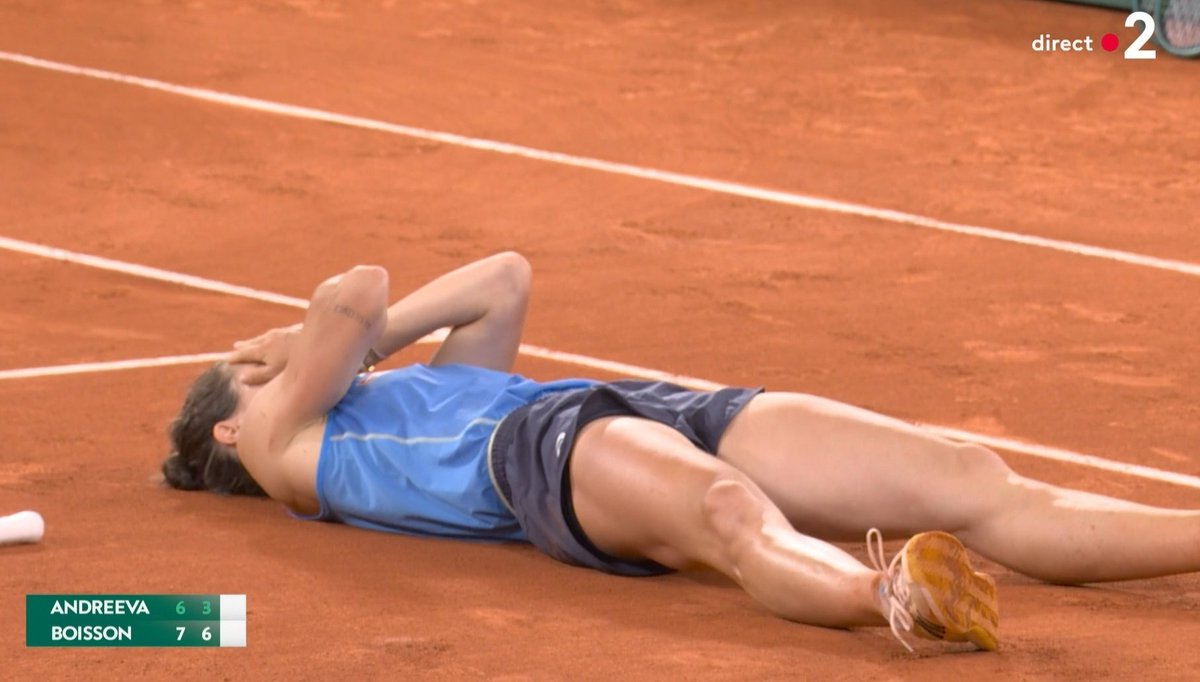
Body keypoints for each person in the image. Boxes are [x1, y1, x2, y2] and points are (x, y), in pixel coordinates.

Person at [163, 252, 1200, 653]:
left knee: (972, 477)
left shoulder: (388, 385)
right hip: (541, 455)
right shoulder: (275, 439)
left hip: (630, 407)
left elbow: (507, 279)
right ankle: (887, 596)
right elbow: (354, 292)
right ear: (228, 420)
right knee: (728, 515)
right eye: (250, 366)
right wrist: (301, 345)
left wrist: (363, 346)